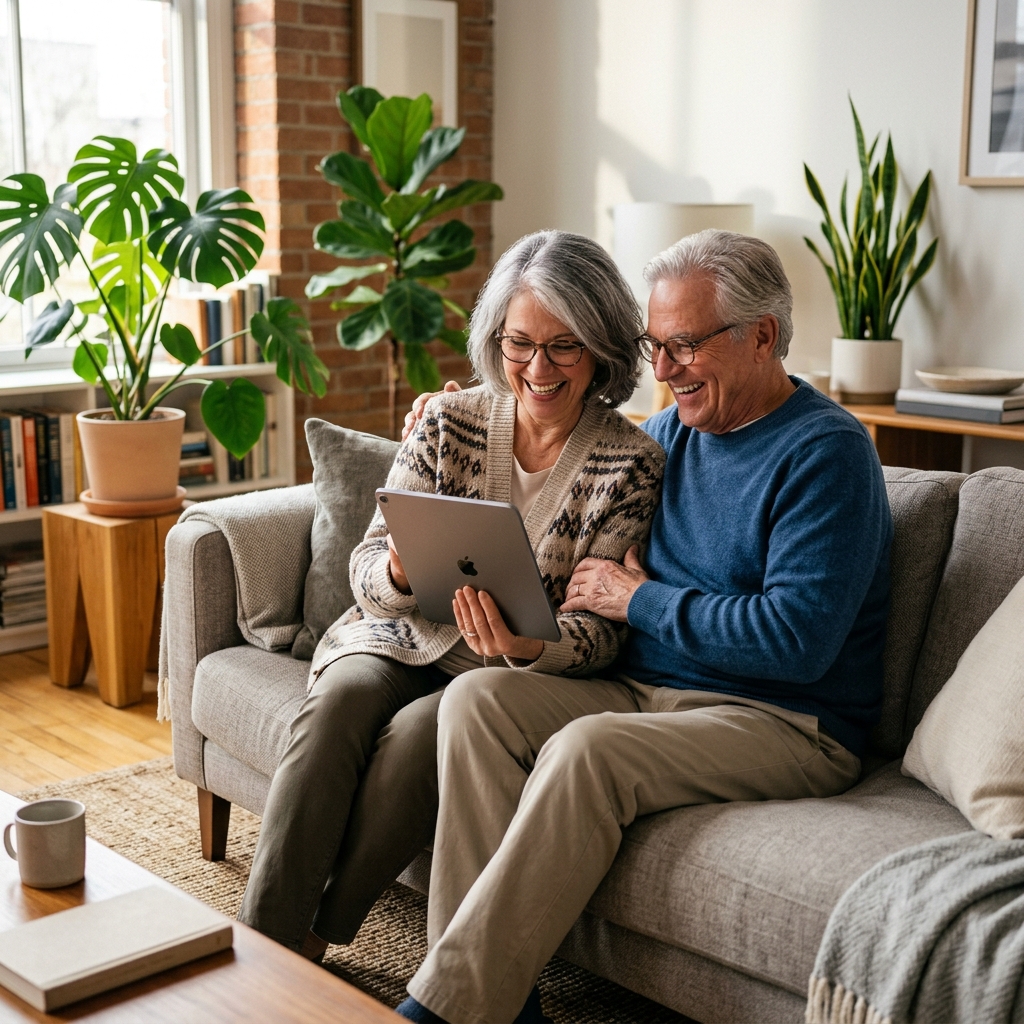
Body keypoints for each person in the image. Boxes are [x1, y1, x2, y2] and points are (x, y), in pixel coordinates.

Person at [395, 230, 893, 1024]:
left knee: (587, 752)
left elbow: (797, 642)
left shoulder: (827, 453)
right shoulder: (666, 437)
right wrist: (456, 411)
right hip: (647, 691)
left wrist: (641, 601)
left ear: (762, 335)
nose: (662, 370)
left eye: (684, 345)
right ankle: (496, 1003)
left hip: (785, 721)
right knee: (478, 703)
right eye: (653, 346)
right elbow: (560, 439)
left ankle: (447, 1011)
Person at [237, 230, 666, 964]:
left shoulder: (632, 464)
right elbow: (366, 565)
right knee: (339, 703)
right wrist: (400, 576)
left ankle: (315, 937)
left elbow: (603, 632)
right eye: (518, 343)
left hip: (500, 677)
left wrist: (529, 643)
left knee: (419, 739)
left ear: (601, 348)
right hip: (398, 636)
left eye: (563, 347)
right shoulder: (447, 420)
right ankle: (261, 941)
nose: (537, 368)